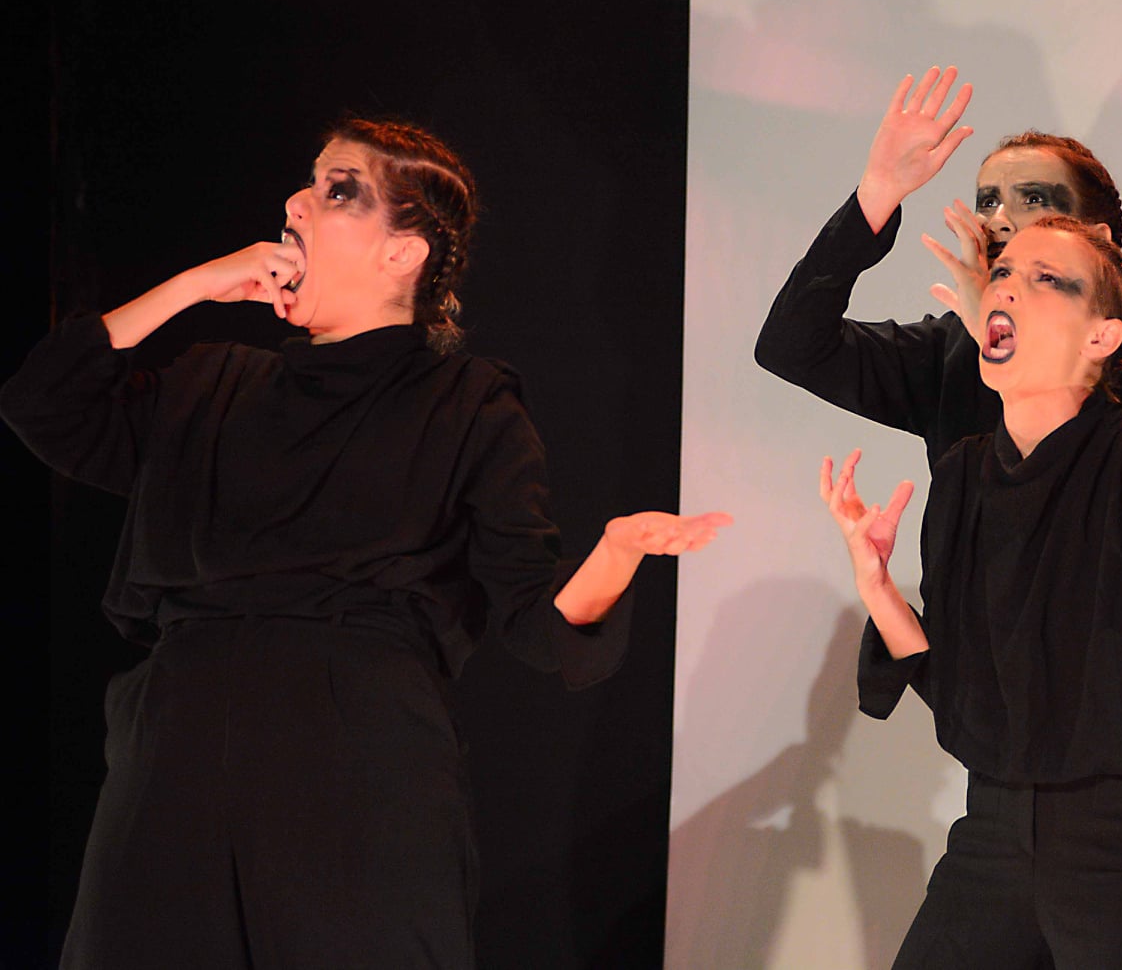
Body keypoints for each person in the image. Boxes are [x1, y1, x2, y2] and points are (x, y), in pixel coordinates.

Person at [2, 118, 731, 968]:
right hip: (178, 749)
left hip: (353, 757)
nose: (296, 202)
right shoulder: (213, 382)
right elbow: (41, 401)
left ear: (402, 252)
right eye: (308, 182)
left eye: (337, 189)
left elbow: (536, 618)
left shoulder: (467, 404)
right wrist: (194, 285)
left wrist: (615, 552)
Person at [819, 216, 1122, 968]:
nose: (1007, 286)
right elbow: (956, 685)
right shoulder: (964, 473)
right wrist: (877, 586)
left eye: (1046, 279)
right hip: (995, 828)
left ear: (1101, 336)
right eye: (1004, 272)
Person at [755, 65, 1122, 469]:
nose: (998, 219)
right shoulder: (950, 350)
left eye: (1033, 199)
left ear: (1098, 237)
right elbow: (792, 346)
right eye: (987, 201)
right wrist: (877, 193)